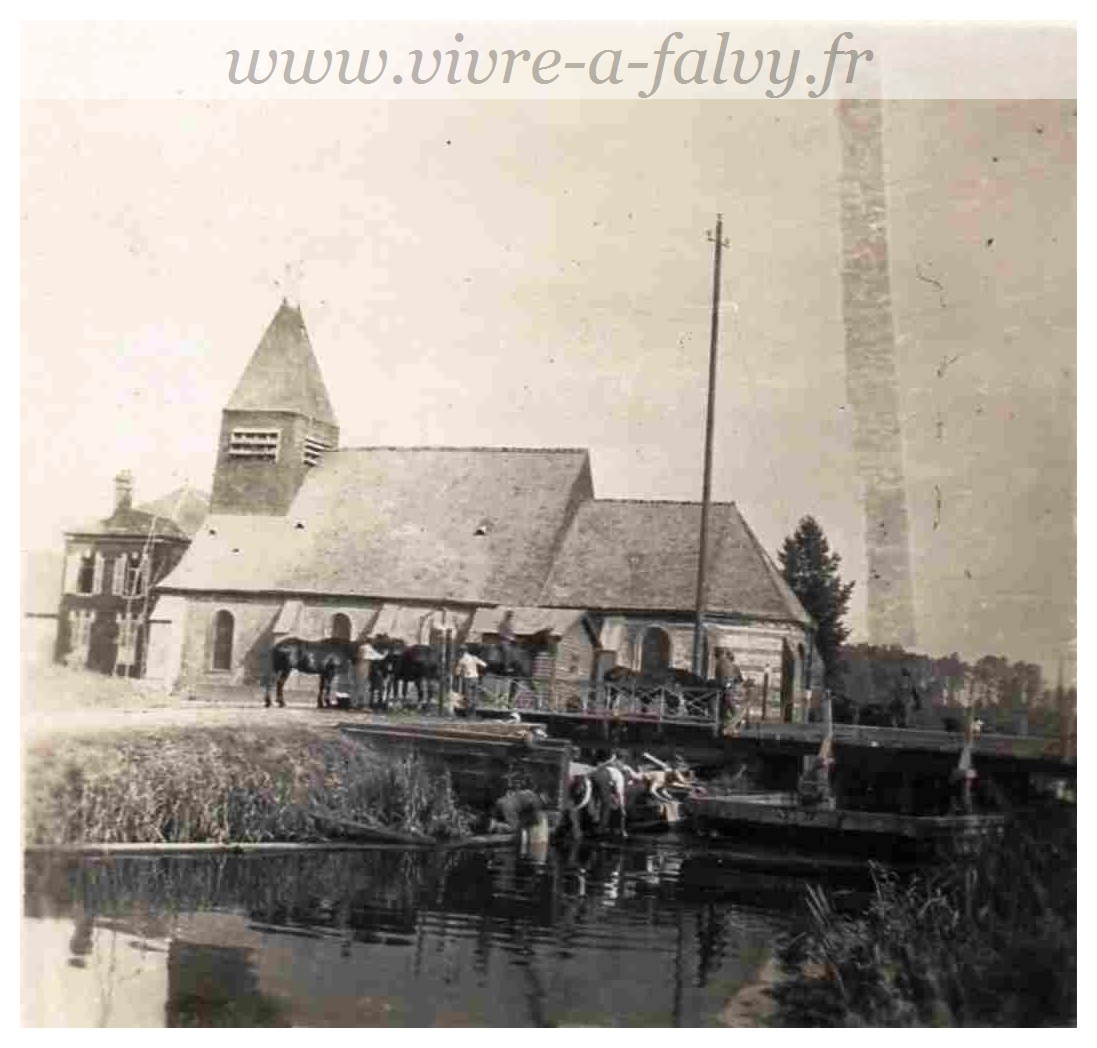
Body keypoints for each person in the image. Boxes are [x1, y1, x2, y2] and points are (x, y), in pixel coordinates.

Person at [454, 645, 488, 714]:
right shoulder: (473, 658)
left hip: (468, 678)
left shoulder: (462, 660)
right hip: (475, 678)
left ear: (461, 651)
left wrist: (458, 674)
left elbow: (457, 672)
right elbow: (484, 664)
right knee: (475, 694)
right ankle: (474, 710)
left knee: (468, 695)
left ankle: (469, 712)